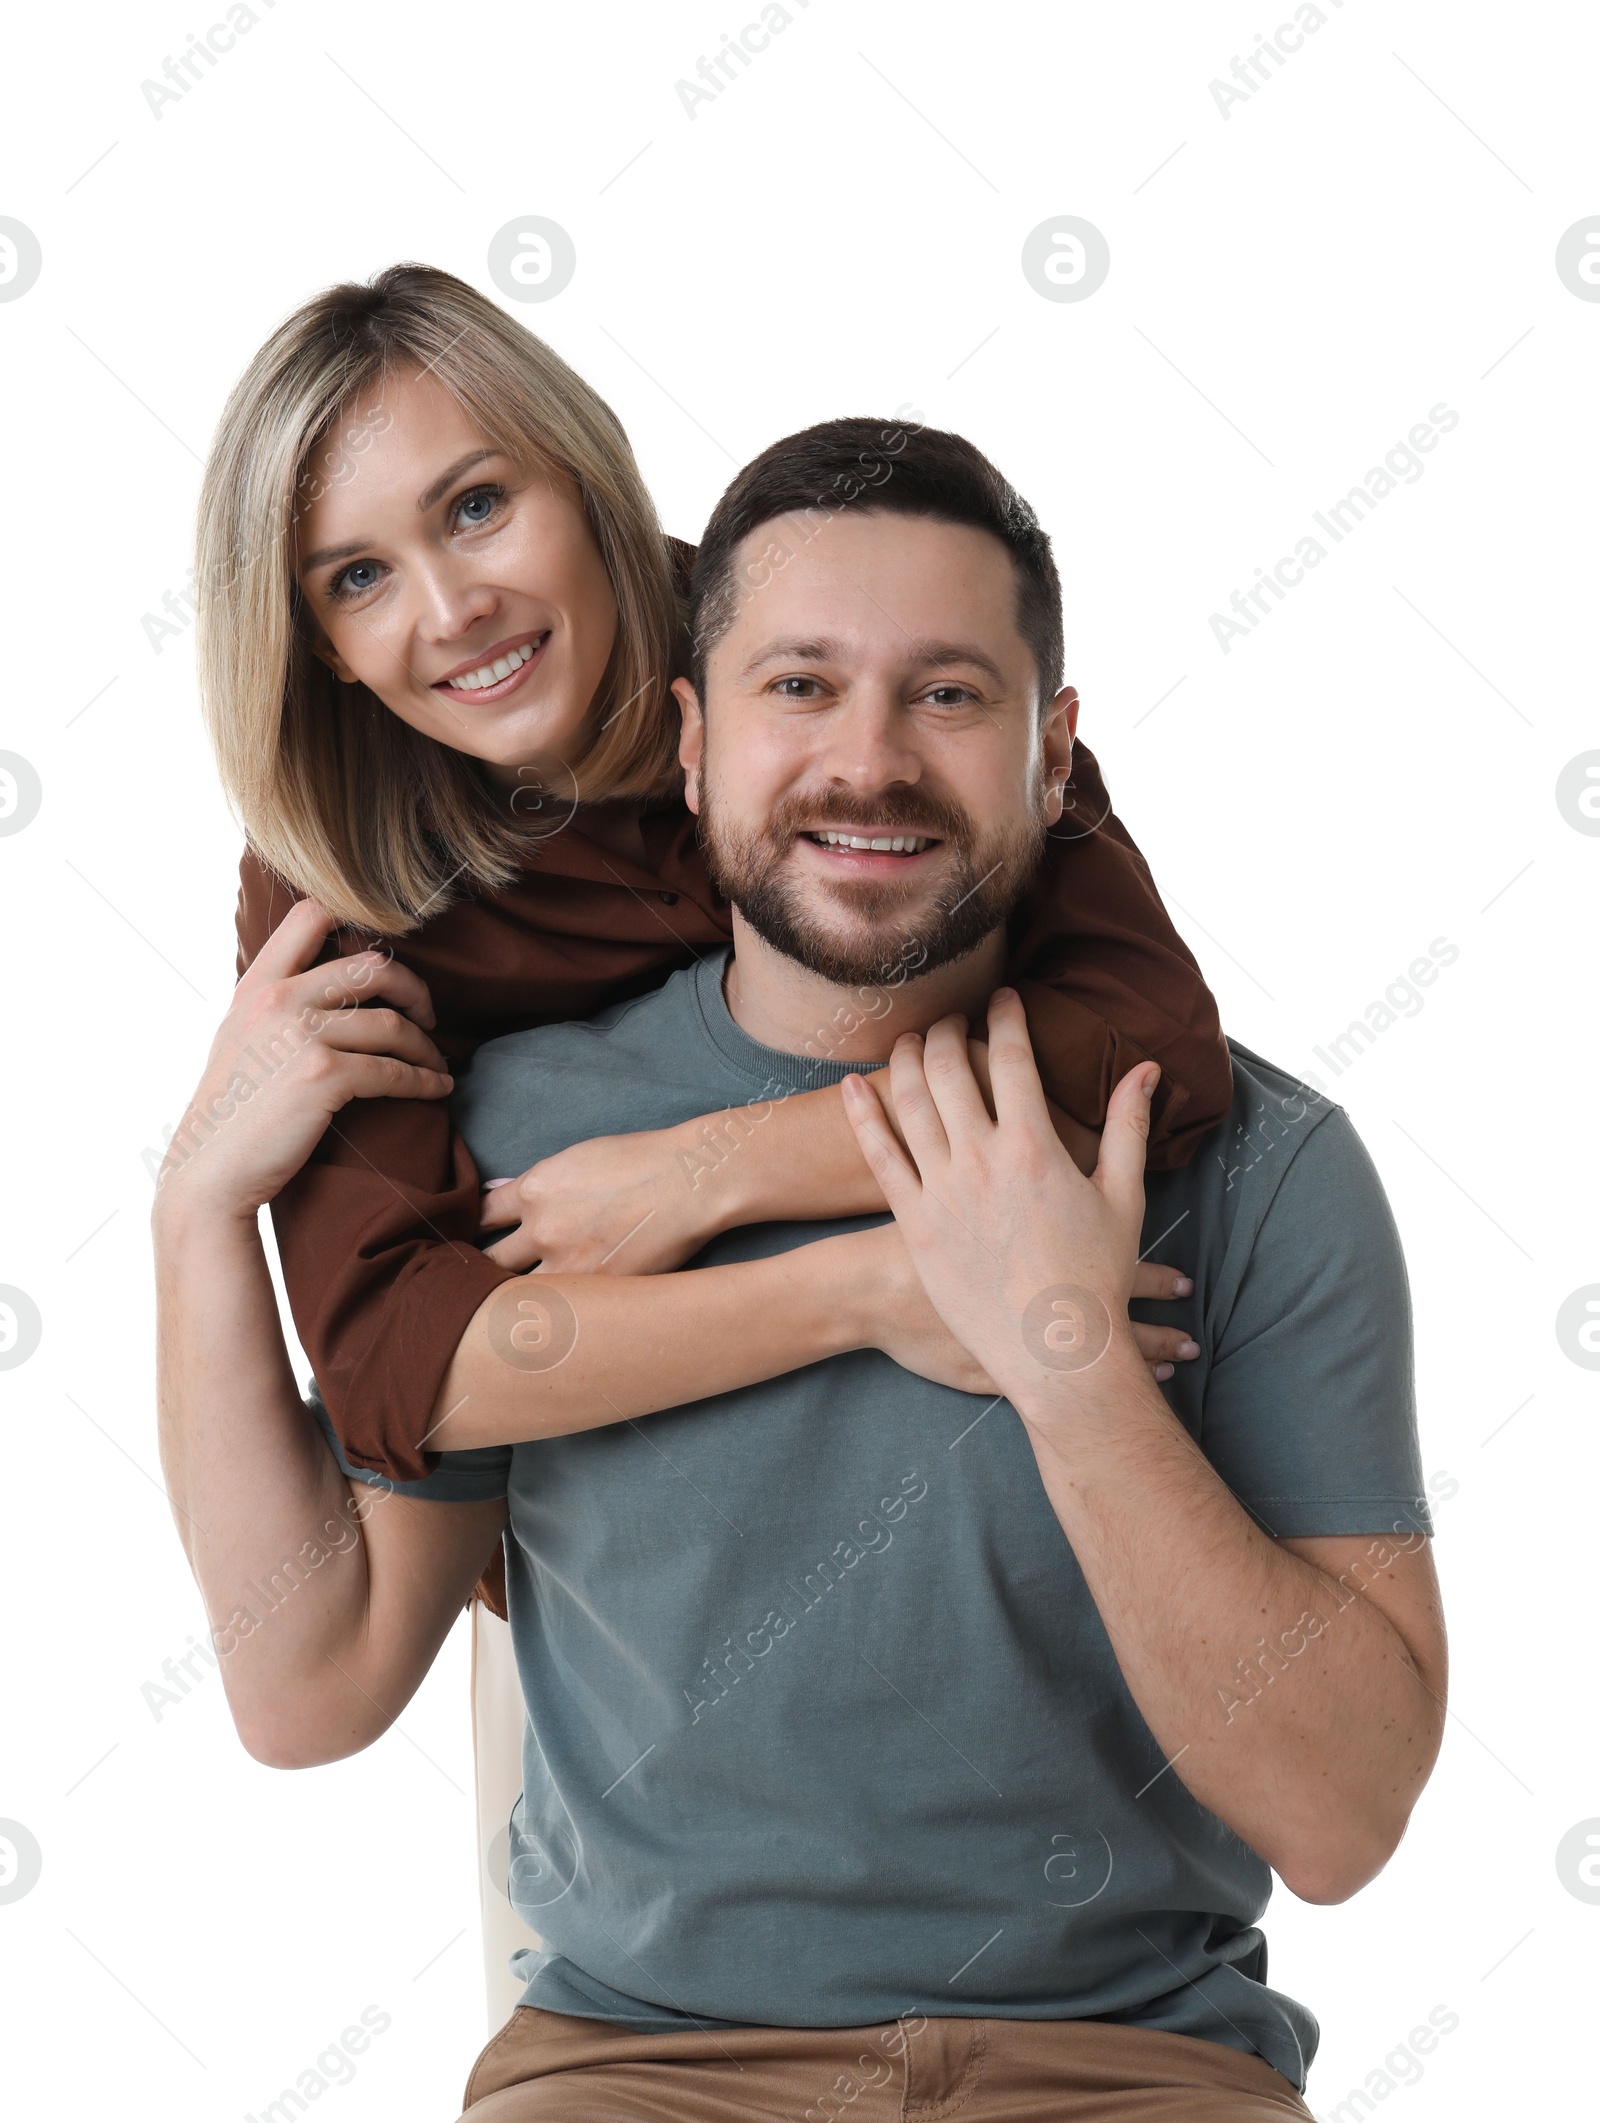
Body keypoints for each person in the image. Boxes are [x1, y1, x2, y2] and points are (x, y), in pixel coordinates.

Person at [155, 420, 1446, 2120]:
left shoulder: (1256, 1160)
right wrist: (192, 1213)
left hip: (1131, 2066)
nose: (869, 759)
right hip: (635, 2067)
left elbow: (1342, 1818)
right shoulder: (526, 1152)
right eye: (798, 688)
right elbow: (310, 1679)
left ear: (1058, 757)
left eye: (950, 694)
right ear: (689, 744)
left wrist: (1066, 1364)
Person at [184, 262, 1233, 1524]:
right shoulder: (335, 870)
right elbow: (398, 1371)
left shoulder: (820, 645)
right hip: (607, 1515)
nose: (454, 609)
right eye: (357, 577)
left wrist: (712, 1171)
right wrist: (873, 1288)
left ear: (580, 476)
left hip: (1018, 1422)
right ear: (323, 652)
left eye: (474, 506)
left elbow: (1154, 1051)